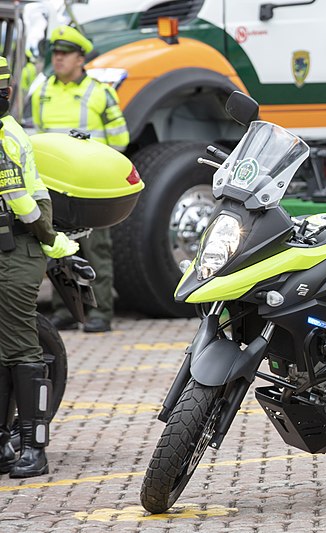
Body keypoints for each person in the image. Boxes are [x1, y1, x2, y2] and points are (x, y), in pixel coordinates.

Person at [0, 55, 80, 478]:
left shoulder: (4, 138)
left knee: (19, 349)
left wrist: (53, 241)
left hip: (18, 250)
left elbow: (23, 204)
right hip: (13, 246)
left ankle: (34, 446)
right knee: (3, 349)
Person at [31, 25, 129, 333]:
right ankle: (65, 310)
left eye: (65, 54)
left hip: (91, 184)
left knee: (96, 248)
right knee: (56, 246)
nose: (58, 59)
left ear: (80, 58)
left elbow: (120, 140)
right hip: (54, 184)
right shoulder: (43, 91)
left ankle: (100, 313)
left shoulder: (100, 93)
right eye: (55, 54)